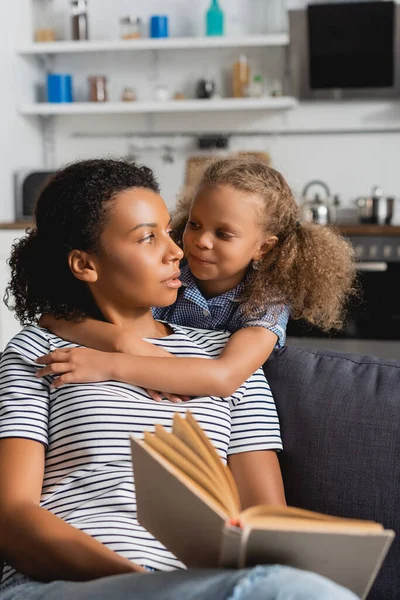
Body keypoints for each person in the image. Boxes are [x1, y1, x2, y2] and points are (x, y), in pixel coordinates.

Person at [0, 159, 357, 600]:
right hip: (65, 584)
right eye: (149, 237)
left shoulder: (229, 361)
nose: (178, 251)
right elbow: (11, 514)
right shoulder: (38, 351)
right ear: (84, 264)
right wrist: (139, 578)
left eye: (169, 230)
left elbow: (268, 525)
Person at [38, 156, 357, 403]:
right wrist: (126, 343)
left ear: (262, 247)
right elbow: (55, 319)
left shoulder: (265, 301)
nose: (200, 241)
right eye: (194, 224)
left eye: (223, 234)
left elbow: (224, 377)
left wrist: (111, 364)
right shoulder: (167, 276)